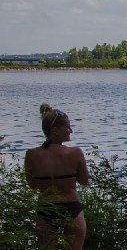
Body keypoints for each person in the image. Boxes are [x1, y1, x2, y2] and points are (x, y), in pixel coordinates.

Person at [25, 104, 89, 250]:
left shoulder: (31, 155)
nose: (71, 130)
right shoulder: (76, 153)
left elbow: (32, 185)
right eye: (67, 127)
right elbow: (84, 181)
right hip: (71, 206)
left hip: (46, 208)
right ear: (54, 131)